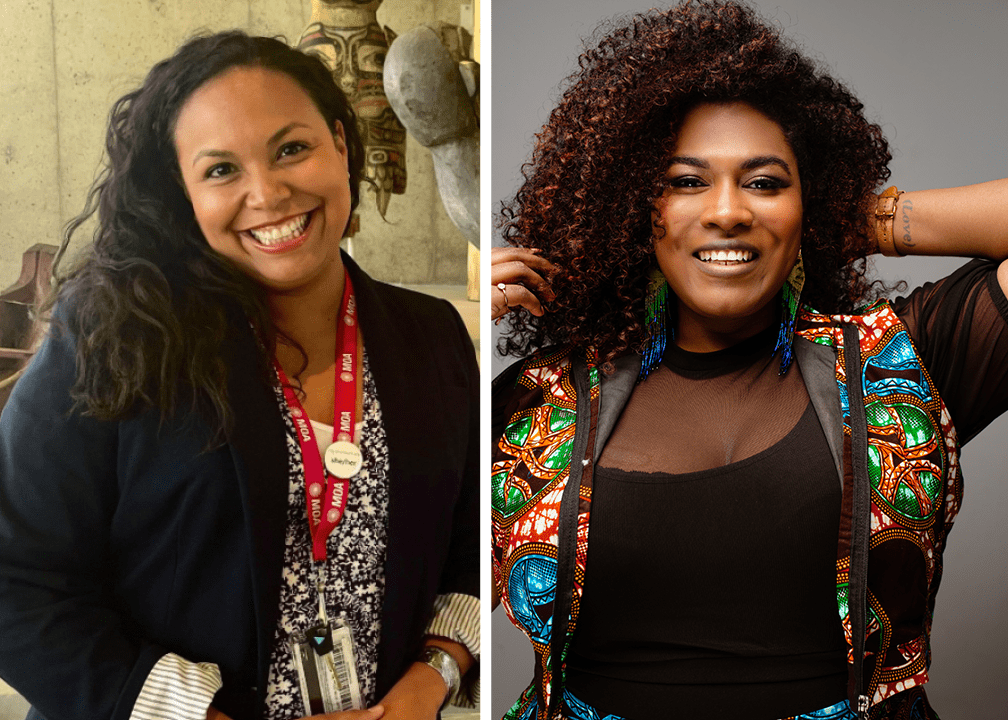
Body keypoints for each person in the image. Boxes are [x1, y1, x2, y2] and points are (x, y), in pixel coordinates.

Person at [490, 2, 1008, 719]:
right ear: (632, 208)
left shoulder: (899, 363)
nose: (729, 210)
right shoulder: (537, 400)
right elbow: (413, 569)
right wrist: (461, 332)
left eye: (765, 182)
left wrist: (860, 220)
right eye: (685, 181)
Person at [0, 32, 479, 720]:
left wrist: (432, 676)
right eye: (221, 170)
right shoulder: (116, 339)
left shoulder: (432, 337)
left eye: (291, 149)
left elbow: (475, 550)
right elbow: (16, 581)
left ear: (341, 145)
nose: (269, 193)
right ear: (182, 194)